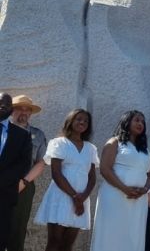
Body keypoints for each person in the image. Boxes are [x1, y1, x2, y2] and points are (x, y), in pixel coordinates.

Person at [34, 109, 99, 251]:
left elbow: (92, 178)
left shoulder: (91, 149)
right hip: (61, 196)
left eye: (86, 121)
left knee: (68, 244)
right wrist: (75, 197)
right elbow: (56, 174)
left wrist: (82, 198)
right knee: (55, 241)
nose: (82, 122)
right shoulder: (59, 143)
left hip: (82, 199)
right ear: (70, 121)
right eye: (79, 119)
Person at [90, 110, 150, 251]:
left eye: (143, 121)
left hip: (138, 201)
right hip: (115, 196)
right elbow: (105, 169)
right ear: (126, 121)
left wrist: (144, 190)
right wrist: (125, 188)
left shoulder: (145, 150)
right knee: (111, 234)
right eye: (137, 120)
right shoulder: (114, 142)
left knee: (133, 236)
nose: (140, 124)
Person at [8, 95, 47, 251]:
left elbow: (41, 162)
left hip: (24, 186)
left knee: (17, 229)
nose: (23, 112)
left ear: (31, 113)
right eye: (19, 108)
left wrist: (23, 182)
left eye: (27, 109)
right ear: (11, 110)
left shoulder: (38, 135)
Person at [0, 93, 32, 251]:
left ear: (10, 109)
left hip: (4, 197)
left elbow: (24, 164)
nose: (2, 107)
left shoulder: (23, 135)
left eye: (6, 104)